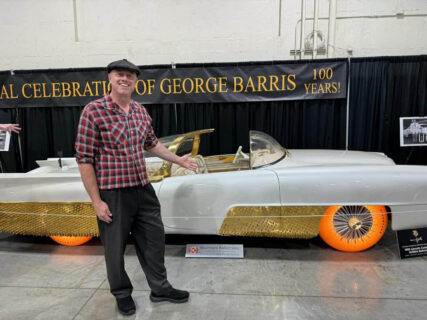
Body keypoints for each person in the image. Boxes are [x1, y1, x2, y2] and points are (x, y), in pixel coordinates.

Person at [75, 59, 197, 316]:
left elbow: (151, 144)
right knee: (114, 250)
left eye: (130, 75)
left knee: (154, 242)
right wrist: (97, 201)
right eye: (119, 74)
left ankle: (160, 288)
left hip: (143, 190)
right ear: (109, 78)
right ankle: (121, 294)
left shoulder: (140, 111)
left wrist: (179, 159)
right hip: (113, 193)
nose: (125, 79)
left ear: (136, 81)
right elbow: (84, 159)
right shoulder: (93, 111)